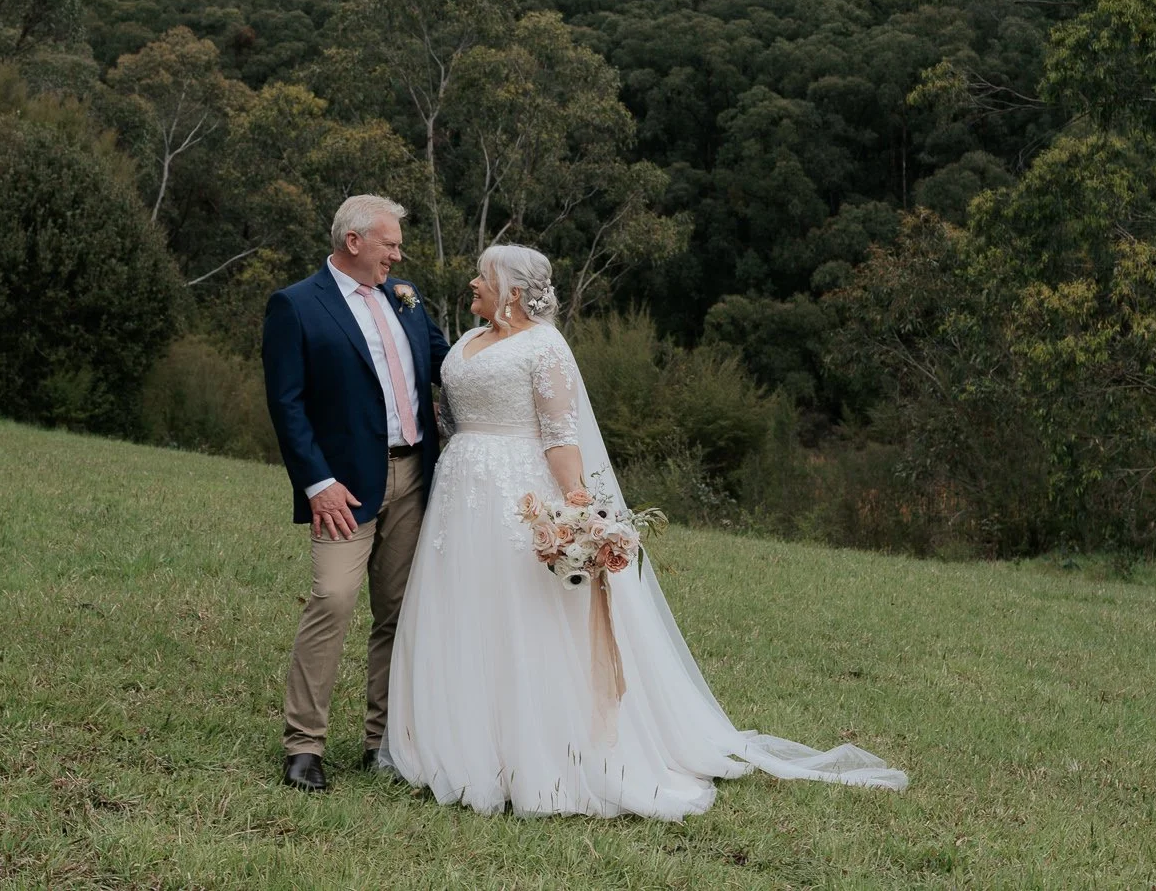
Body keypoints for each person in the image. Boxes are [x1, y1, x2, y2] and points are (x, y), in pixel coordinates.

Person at [386, 244, 908, 818]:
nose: (472, 282)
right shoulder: (465, 342)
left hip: (520, 492)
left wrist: (579, 514)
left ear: (510, 288)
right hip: (460, 492)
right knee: (467, 606)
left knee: (524, 613)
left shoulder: (545, 345)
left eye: (482, 276)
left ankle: (535, 749)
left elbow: (561, 436)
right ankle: (455, 737)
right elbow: (452, 415)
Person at [261, 194, 452, 793]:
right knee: (334, 600)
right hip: (342, 489)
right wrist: (317, 483)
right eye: (390, 243)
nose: (398, 254)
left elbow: (447, 364)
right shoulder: (295, 306)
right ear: (355, 242)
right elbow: (287, 406)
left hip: (415, 479)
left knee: (399, 613)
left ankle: (382, 743)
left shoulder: (407, 299)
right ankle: (303, 746)